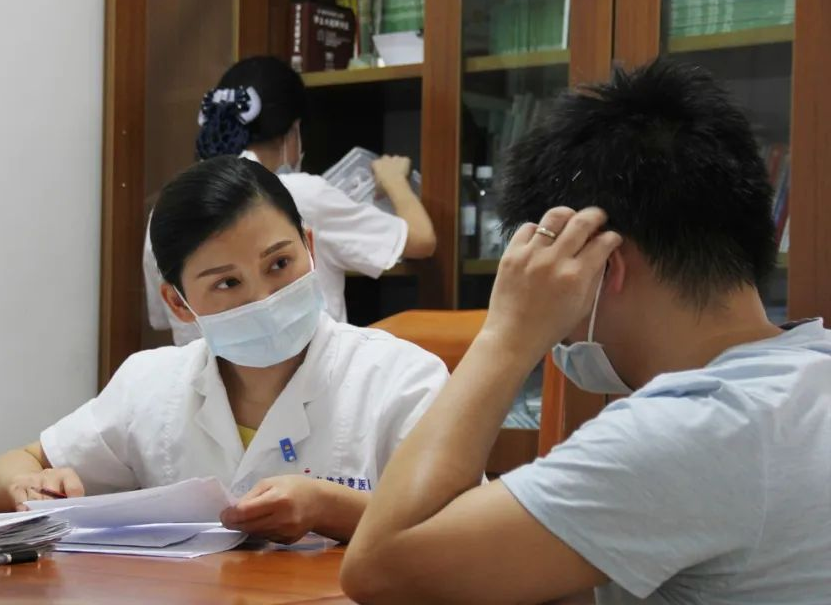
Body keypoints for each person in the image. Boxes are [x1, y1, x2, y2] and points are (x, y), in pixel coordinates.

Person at [341, 60, 830, 603]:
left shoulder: (691, 427)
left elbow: (380, 568)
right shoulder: (808, 373)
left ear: (599, 264)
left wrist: (508, 335)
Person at [0, 156, 449, 544]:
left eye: (279, 263)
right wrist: (27, 486)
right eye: (227, 283)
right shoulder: (152, 383)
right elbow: (10, 469)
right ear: (178, 303)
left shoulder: (401, 377)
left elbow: (460, 534)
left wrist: (331, 509)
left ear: (309, 246)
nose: (263, 297)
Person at [143, 55, 437, 345]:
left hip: (207, 374)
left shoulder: (166, 211)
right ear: (293, 131)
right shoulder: (300, 195)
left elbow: (161, 318)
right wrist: (394, 179)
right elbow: (421, 240)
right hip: (310, 372)